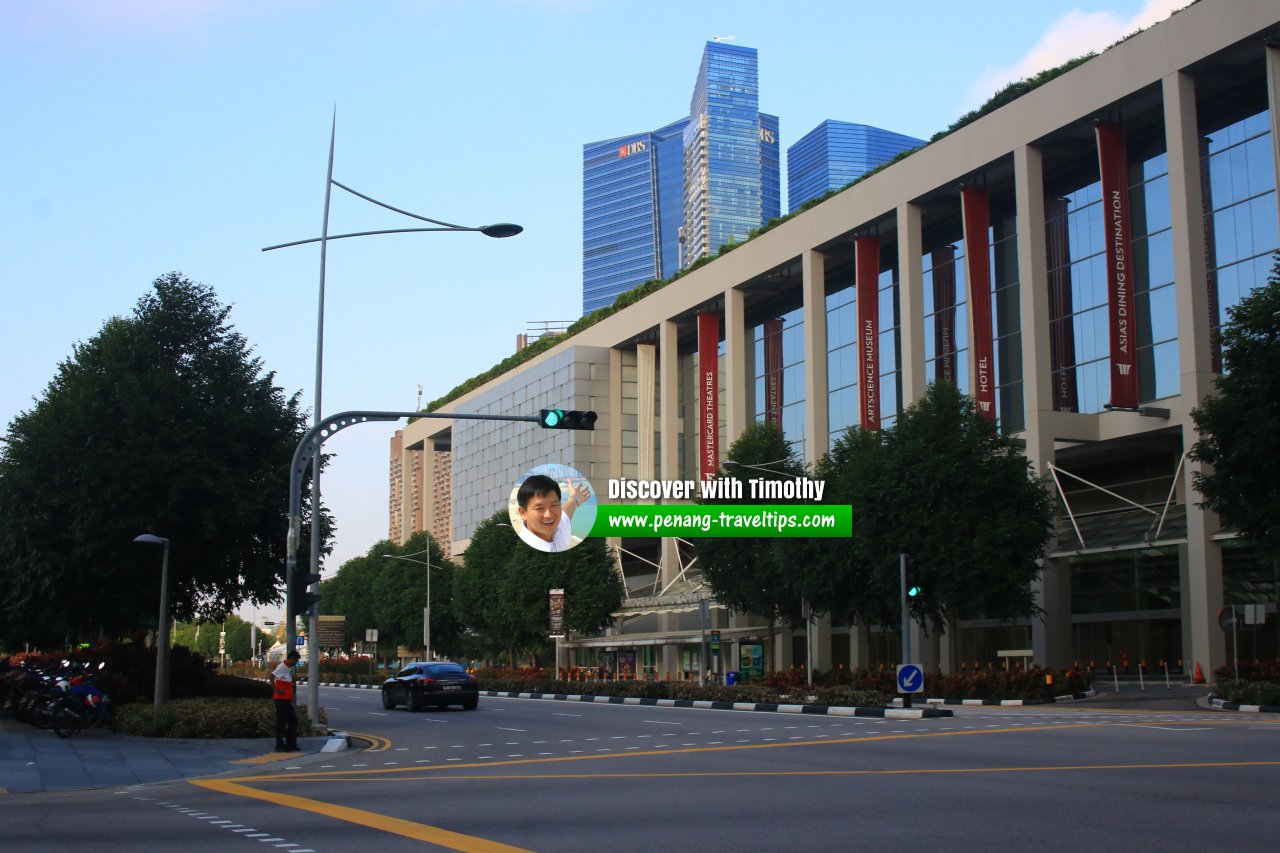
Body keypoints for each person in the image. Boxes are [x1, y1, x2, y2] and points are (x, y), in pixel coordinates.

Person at [516, 474, 590, 552]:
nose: (549, 515)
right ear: (523, 513)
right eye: (539, 508)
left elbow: (566, 512)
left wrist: (574, 499)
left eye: (553, 505)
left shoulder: (559, 527)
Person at [272, 649, 301, 752]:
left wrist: (295, 680)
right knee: (282, 722)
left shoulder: (287, 668)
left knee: (292, 721)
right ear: (292, 659)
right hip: (281, 699)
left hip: (286, 699)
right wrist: (276, 690)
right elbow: (271, 676)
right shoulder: (282, 666)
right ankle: (280, 745)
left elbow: (285, 680)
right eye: (296, 661)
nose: (296, 663)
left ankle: (290, 744)